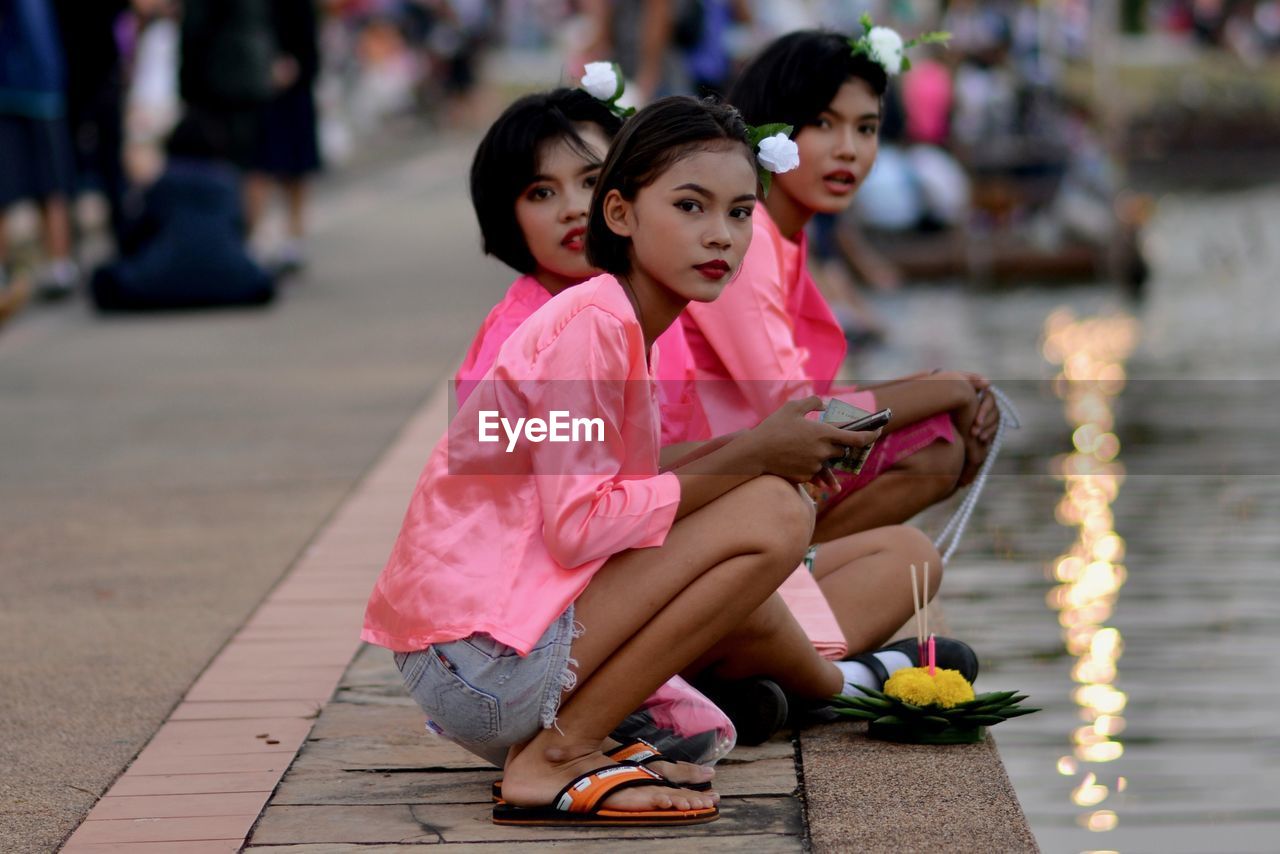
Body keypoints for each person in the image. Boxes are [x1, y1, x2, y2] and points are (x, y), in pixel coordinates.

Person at [363, 96, 959, 826]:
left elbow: (626, 479)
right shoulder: (593, 325)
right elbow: (580, 527)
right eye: (690, 206)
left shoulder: (622, 321)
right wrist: (753, 454)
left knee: (783, 497)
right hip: (480, 665)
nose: (720, 236)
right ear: (621, 215)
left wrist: (765, 446)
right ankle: (556, 757)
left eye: (741, 213)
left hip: (482, 660)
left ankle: (607, 734)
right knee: (772, 507)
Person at [678, 28, 1000, 543]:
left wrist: (945, 385)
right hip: (703, 491)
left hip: (745, 474)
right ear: (769, 128)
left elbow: (812, 401)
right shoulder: (746, 237)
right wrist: (942, 390)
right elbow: (802, 418)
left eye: (866, 128)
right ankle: (791, 571)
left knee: (939, 434)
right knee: (934, 443)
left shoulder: (784, 236)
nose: (849, 150)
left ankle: (803, 568)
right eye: (824, 123)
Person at [89, 113, 275, 310]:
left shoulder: (165, 181)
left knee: (103, 279)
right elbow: (239, 230)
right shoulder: (228, 179)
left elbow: (135, 234)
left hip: (161, 279)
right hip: (232, 279)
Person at [0, 0, 79, 299]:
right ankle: (54, 264)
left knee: (51, 183)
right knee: (40, 183)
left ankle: (59, 264)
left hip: (40, 85)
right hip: (25, 84)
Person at [246, 0, 323, 272]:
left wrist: (298, 66)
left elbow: (309, 38)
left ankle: (295, 236)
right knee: (257, 166)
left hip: (294, 87)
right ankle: (255, 236)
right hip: (255, 87)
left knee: (296, 168)